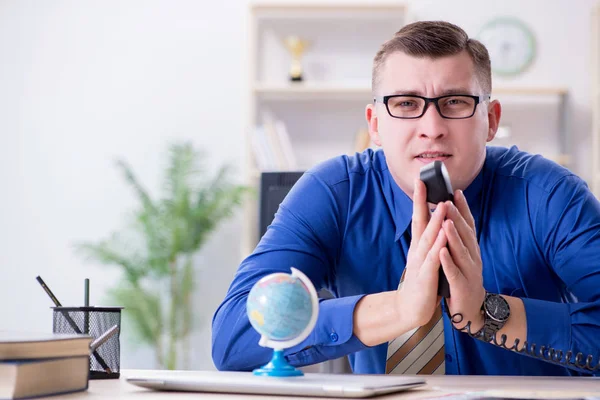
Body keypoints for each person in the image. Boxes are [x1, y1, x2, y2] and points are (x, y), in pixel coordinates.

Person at [212, 21, 600, 376]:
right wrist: (397, 309)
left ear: (492, 120)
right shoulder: (333, 193)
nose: (432, 129)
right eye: (406, 104)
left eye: (455, 102)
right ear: (375, 124)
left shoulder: (549, 194)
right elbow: (233, 338)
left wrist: (489, 313)